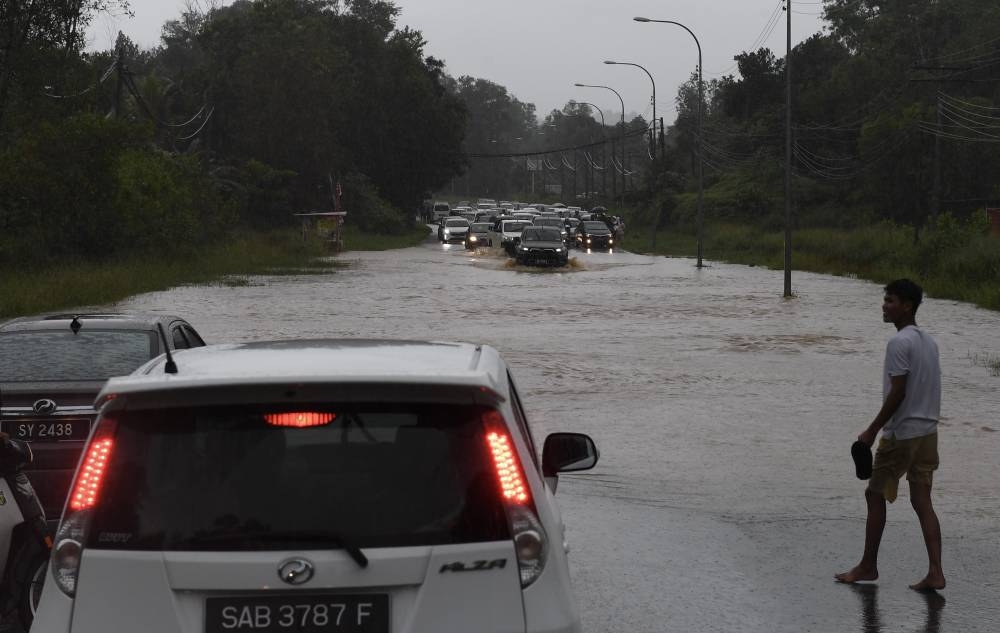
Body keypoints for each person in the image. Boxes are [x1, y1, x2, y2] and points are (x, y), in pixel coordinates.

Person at [835, 279, 945, 591]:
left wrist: (872, 430)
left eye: (891, 301)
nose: (885, 306)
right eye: (885, 300)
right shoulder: (930, 342)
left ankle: (868, 566)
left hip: (903, 434)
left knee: (874, 495)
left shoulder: (898, 343)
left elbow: (898, 393)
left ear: (907, 306)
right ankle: (936, 572)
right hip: (928, 432)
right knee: (922, 500)